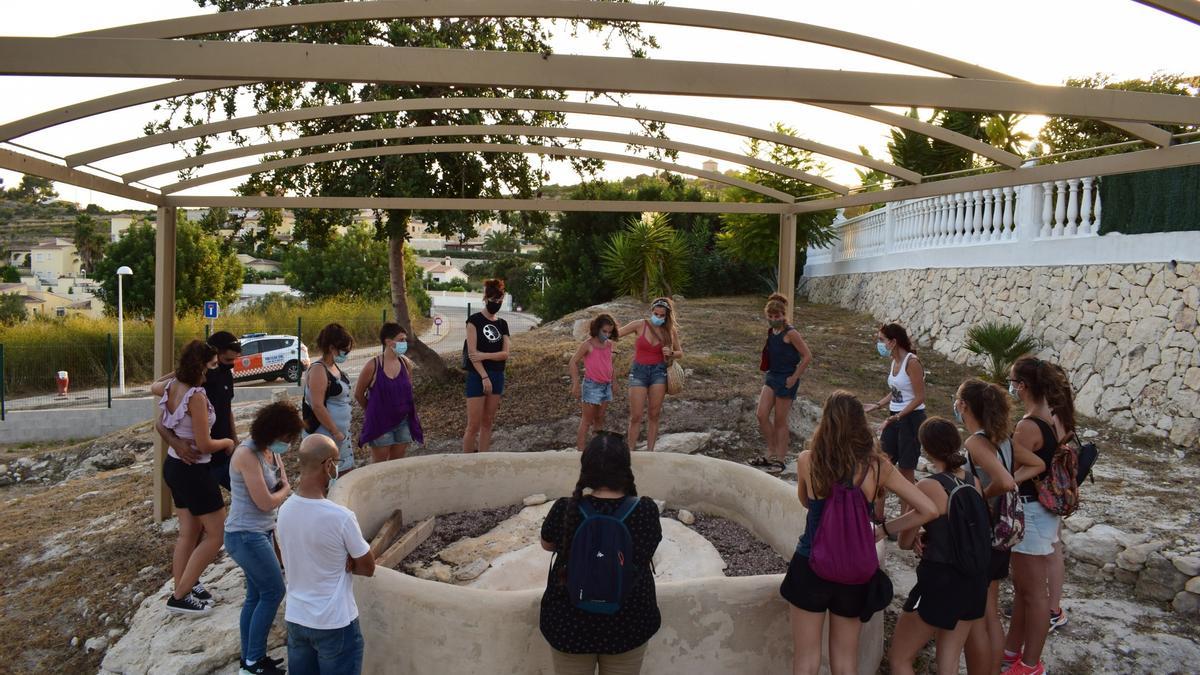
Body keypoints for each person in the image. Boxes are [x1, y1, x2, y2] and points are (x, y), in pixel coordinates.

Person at [780, 391, 936, 675]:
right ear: (859, 423)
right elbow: (928, 509)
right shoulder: (878, 466)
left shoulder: (808, 460)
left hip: (811, 563)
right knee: (845, 662)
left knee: (806, 660)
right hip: (854, 573)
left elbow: (806, 502)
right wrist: (884, 530)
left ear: (826, 422)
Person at [539, 432, 662, 674]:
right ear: (625, 468)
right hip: (628, 624)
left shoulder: (566, 509)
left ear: (587, 469)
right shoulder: (645, 511)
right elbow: (647, 549)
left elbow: (547, 544)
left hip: (570, 626)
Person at [889, 417, 990, 675]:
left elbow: (904, 542)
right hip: (974, 579)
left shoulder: (928, 485)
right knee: (949, 662)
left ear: (925, 448)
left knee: (900, 658)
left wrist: (918, 532)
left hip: (940, 581)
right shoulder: (973, 481)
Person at [956, 378, 1039, 675]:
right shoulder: (1003, 438)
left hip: (985, 533)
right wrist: (1009, 482)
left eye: (957, 401)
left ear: (964, 406)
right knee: (991, 612)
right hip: (1002, 536)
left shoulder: (975, 442)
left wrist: (981, 495)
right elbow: (1037, 465)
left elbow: (1002, 481)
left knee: (978, 615)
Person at [277, 435, 375, 675]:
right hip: (335, 622)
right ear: (328, 464)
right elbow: (367, 567)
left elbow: (284, 555)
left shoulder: (284, 510)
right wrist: (349, 561)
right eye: (337, 462)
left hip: (298, 618)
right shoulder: (341, 517)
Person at [152, 339, 236, 616]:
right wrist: (227, 442)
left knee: (188, 533)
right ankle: (179, 595)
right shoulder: (196, 397)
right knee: (216, 533)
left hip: (175, 467)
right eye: (211, 365)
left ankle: (184, 587)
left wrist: (176, 442)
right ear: (200, 366)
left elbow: (158, 409)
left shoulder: (173, 386)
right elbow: (204, 444)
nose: (213, 370)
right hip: (195, 471)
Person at [1002, 357, 1074, 675]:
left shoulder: (1028, 425)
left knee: (1033, 594)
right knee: (1024, 590)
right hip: (1043, 513)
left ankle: (1030, 664)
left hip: (1030, 512)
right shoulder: (1053, 416)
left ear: (1023, 385)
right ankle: (1011, 650)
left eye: (1013, 382)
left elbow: (1010, 470)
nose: (1011, 388)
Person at [225, 401, 303, 675]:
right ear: (271, 431)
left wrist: (281, 491)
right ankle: (254, 661)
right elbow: (266, 502)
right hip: (245, 535)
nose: (287, 444)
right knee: (273, 591)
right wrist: (284, 492)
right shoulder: (247, 454)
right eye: (285, 439)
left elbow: (280, 486)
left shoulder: (271, 451)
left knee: (256, 595)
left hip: (262, 532)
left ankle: (250, 660)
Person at [155, 331, 242, 490]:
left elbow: (227, 408)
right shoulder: (194, 388)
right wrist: (175, 443)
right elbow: (161, 421)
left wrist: (234, 439)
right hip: (201, 460)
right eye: (226, 360)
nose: (231, 364)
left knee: (248, 496)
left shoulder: (226, 376)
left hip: (224, 454)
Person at [864, 323, 926, 522]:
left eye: (882, 340)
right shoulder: (894, 361)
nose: (879, 344)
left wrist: (898, 417)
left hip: (911, 419)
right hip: (895, 416)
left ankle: (904, 520)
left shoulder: (912, 362)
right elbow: (897, 391)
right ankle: (878, 515)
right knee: (883, 463)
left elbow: (919, 397)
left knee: (906, 470)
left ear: (893, 341)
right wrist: (877, 405)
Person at [751, 293, 813, 474]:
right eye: (770, 317)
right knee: (761, 414)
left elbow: (807, 356)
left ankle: (780, 458)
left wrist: (794, 377)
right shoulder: (772, 332)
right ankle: (770, 450)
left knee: (780, 420)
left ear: (783, 315)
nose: (773, 320)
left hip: (787, 378)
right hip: (772, 376)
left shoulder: (791, 333)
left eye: (776, 316)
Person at [616, 297, 682, 452]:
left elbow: (680, 353)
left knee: (654, 414)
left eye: (661, 315)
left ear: (666, 316)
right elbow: (616, 335)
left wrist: (671, 352)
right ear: (651, 311)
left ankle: (650, 452)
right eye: (656, 313)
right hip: (639, 371)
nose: (658, 317)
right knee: (636, 416)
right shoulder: (639, 324)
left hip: (658, 372)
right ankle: (630, 451)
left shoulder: (669, 331)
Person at [355, 323, 423, 463]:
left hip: (403, 422)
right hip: (380, 424)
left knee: (395, 466)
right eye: (401, 340)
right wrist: (372, 410)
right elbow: (358, 394)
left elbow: (408, 391)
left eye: (405, 340)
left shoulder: (406, 364)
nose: (404, 343)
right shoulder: (373, 365)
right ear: (388, 341)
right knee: (378, 467)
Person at [463, 279, 511, 453]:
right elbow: (472, 354)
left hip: (497, 375)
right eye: (493, 300)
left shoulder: (502, 324)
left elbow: (505, 353)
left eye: (499, 301)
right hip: (477, 376)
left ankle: (483, 458)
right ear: (486, 298)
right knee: (473, 425)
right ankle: (467, 462)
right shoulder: (474, 321)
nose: (496, 304)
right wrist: (484, 376)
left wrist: (484, 355)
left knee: (488, 421)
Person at [305, 323, 355, 474]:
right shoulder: (319, 370)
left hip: (340, 435)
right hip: (327, 435)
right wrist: (335, 431)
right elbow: (317, 406)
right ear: (332, 348)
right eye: (344, 351)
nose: (346, 354)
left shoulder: (333, 367)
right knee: (328, 476)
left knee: (344, 473)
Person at [568, 314, 618, 451]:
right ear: (597, 329)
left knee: (600, 418)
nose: (607, 335)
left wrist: (614, 381)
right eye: (604, 331)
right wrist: (576, 384)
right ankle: (581, 453)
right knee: (587, 420)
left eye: (609, 332)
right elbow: (573, 362)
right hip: (592, 386)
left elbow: (609, 364)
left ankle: (597, 451)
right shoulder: (587, 345)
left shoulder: (609, 345)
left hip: (606, 385)